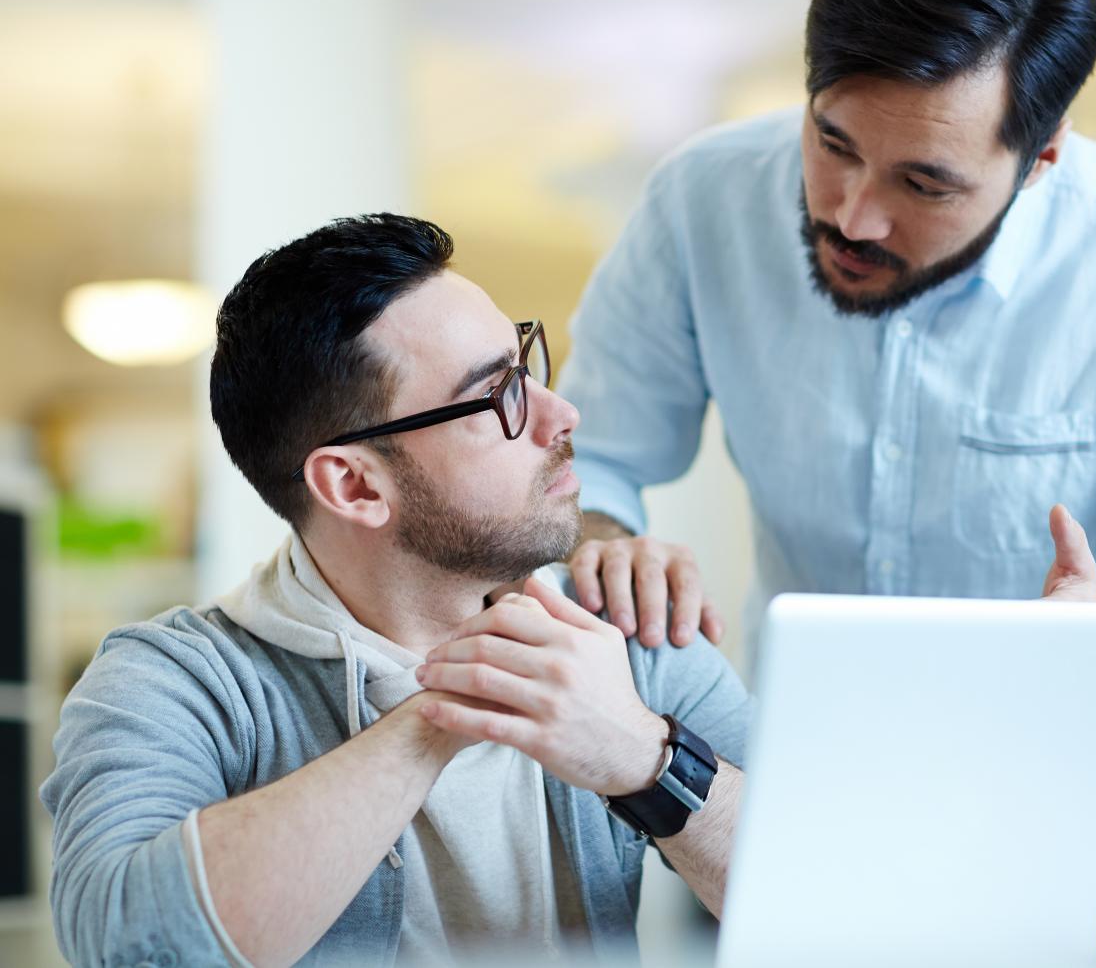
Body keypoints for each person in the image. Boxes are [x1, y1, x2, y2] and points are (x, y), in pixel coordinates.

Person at [556, 0, 1096, 917]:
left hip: (1074, 843)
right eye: (831, 143)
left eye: (925, 183)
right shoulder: (700, 202)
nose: (852, 214)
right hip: (773, 814)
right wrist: (601, 540)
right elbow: (587, 463)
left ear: (1040, 158)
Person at [38, 215, 752, 967]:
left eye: (526, 364)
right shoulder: (171, 680)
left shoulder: (623, 629)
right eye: (497, 396)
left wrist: (645, 757)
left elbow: (842, 893)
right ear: (353, 484)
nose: (558, 414)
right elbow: (123, 945)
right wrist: (444, 712)